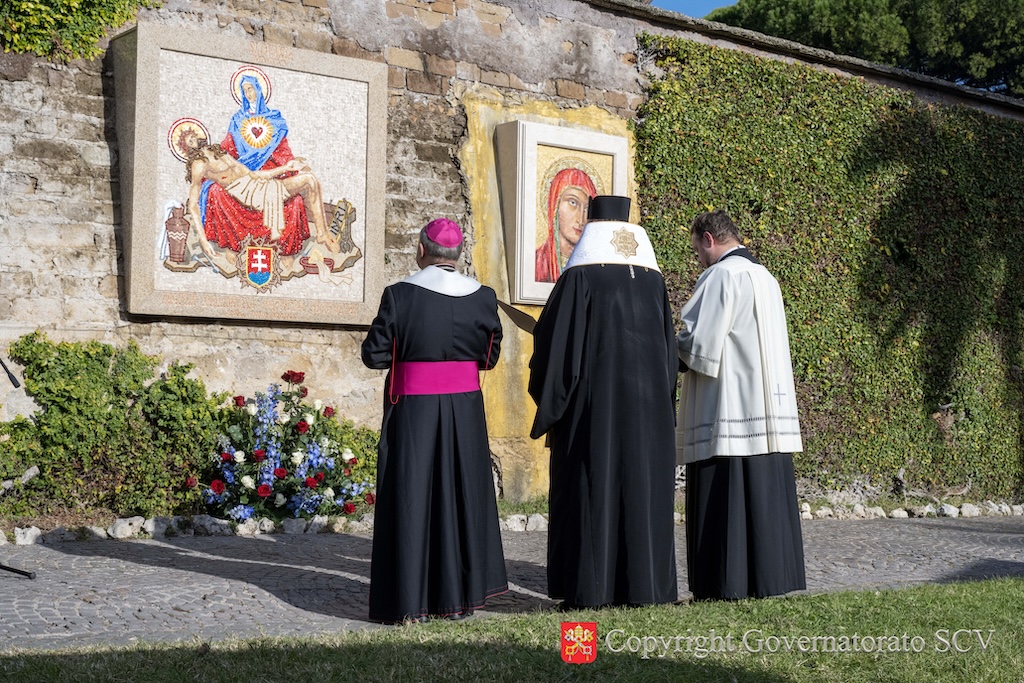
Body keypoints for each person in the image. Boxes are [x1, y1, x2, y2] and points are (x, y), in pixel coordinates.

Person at [529, 195, 678, 609]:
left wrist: (552, 401)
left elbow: (555, 347)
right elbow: (669, 354)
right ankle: (645, 588)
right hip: (649, 412)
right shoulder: (652, 280)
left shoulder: (580, 278)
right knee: (643, 491)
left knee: (593, 488)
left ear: (592, 223)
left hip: (594, 409)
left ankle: (593, 590)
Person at [361, 218, 507, 623]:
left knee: (412, 496)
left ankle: (412, 603)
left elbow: (374, 354)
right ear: (456, 255)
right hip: (464, 411)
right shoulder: (483, 296)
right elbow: (489, 357)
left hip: (414, 411)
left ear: (421, 250)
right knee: (461, 495)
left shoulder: (399, 295)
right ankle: (460, 599)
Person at [676, 209, 806, 601]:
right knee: (764, 493)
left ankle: (725, 583)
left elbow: (700, 346)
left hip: (730, 409)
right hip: (768, 413)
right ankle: (771, 580)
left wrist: (665, 345)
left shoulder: (720, 276)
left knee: (727, 497)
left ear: (709, 239)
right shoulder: (766, 277)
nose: (697, 256)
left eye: (697, 247)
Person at [197, 75, 335, 256]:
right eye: (244, 90)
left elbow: (282, 151)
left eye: (251, 89)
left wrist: (292, 165)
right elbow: (227, 149)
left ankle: (323, 233)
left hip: (271, 176)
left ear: (259, 90)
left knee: (310, 180)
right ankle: (232, 248)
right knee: (216, 191)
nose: (248, 94)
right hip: (250, 181)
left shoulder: (274, 120)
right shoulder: (238, 120)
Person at [182, 134, 337, 270]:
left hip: (256, 185)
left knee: (311, 179)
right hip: (249, 194)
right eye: (189, 140)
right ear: (188, 148)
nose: (194, 137)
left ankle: (322, 234)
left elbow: (253, 175)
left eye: (193, 135)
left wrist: (285, 168)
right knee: (309, 180)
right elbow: (193, 205)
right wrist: (203, 241)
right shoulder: (199, 164)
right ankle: (322, 234)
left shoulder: (218, 152)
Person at [534, 168, 597, 283]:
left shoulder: (596, 267)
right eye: (573, 202)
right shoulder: (536, 263)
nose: (581, 219)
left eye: (587, 208)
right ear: (555, 206)